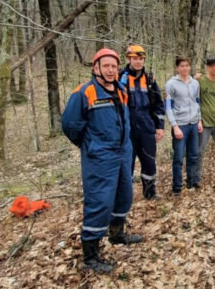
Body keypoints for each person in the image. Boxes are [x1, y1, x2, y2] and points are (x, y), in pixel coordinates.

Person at [62, 48, 143, 274]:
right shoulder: (84, 92)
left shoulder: (120, 90)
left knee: (124, 195)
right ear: (96, 67)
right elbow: (69, 125)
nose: (110, 70)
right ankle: (90, 255)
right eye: (105, 66)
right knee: (100, 201)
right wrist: (89, 144)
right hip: (100, 157)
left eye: (113, 66)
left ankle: (117, 234)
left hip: (122, 153)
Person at [118, 45, 165, 199]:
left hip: (146, 127)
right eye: (135, 59)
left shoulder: (149, 80)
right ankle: (125, 197)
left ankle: (150, 193)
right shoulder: (119, 78)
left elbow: (158, 104)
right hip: (127, 129)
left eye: (141, 59)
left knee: (149, 163)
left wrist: (159, 127)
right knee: (127, 164)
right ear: (129, 59)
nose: (138, 62)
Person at [165, 56, 203, 195]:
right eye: (182, 66)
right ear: (177, 68)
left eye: (187, 65)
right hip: (180, 125)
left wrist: (199, 120)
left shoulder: (195, 83)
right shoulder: (171, 84)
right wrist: (174, 126)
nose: (185, 68)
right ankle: (177, 187)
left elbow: (197, 102)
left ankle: (191, 181)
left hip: (193, 124)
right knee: (178, 158)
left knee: (193, 155)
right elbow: (168, 107)